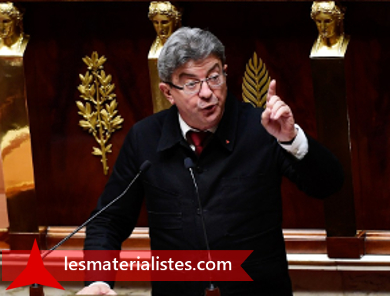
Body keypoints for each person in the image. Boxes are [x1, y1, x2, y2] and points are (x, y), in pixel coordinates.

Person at [77, 27, 343, 296]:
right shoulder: (145, 138)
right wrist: (98, 280)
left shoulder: (262, 128)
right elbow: (108, 220)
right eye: (191, 83)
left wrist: (292, 139)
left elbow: (328, 184)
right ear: (168, 92)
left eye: (214, 77)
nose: (207, 93)